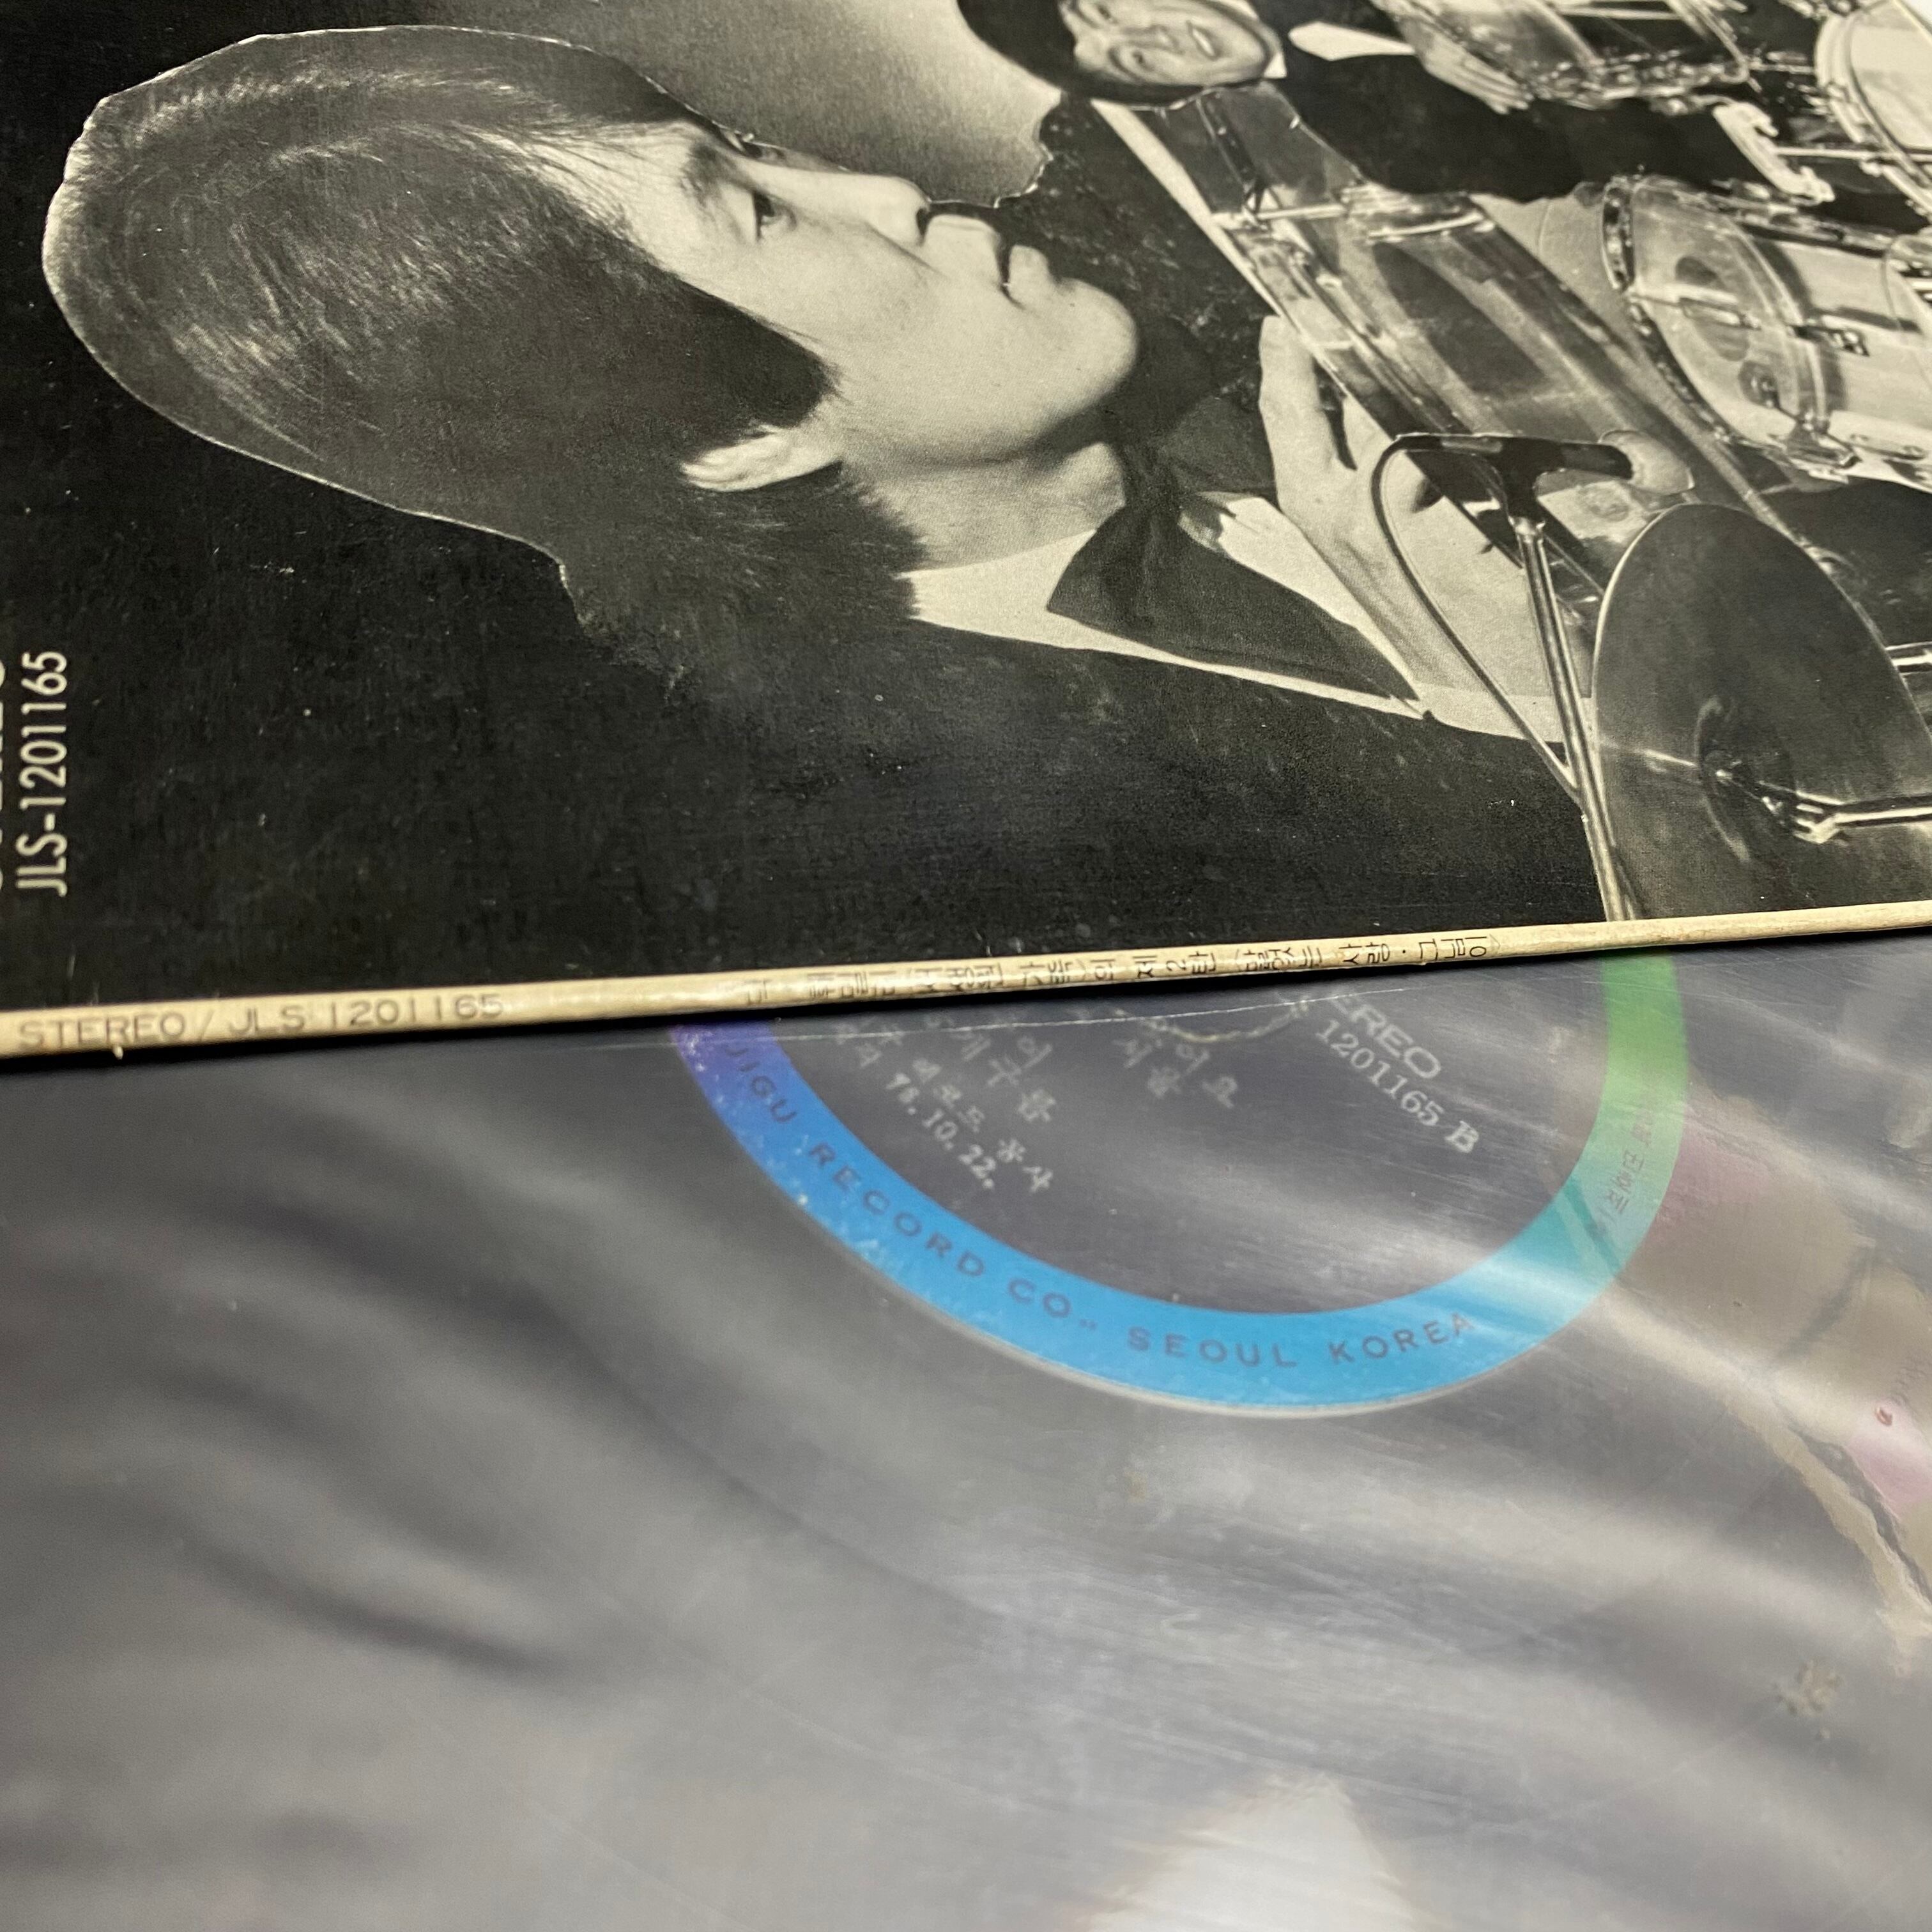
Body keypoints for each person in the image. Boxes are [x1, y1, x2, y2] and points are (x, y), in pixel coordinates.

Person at [45, 26, 1600, 938]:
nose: (887, 190)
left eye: (750, 146)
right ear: (725, 442)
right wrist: (1546, 710)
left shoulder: (1175, 230)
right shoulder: (945, 868)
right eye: (759, 214)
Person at [956, 0, 1773, 202]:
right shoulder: (1387, 148)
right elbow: (1621, 168)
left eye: (1107, 4)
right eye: (1133, 61)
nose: (1155, 33)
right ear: (1171, 91)